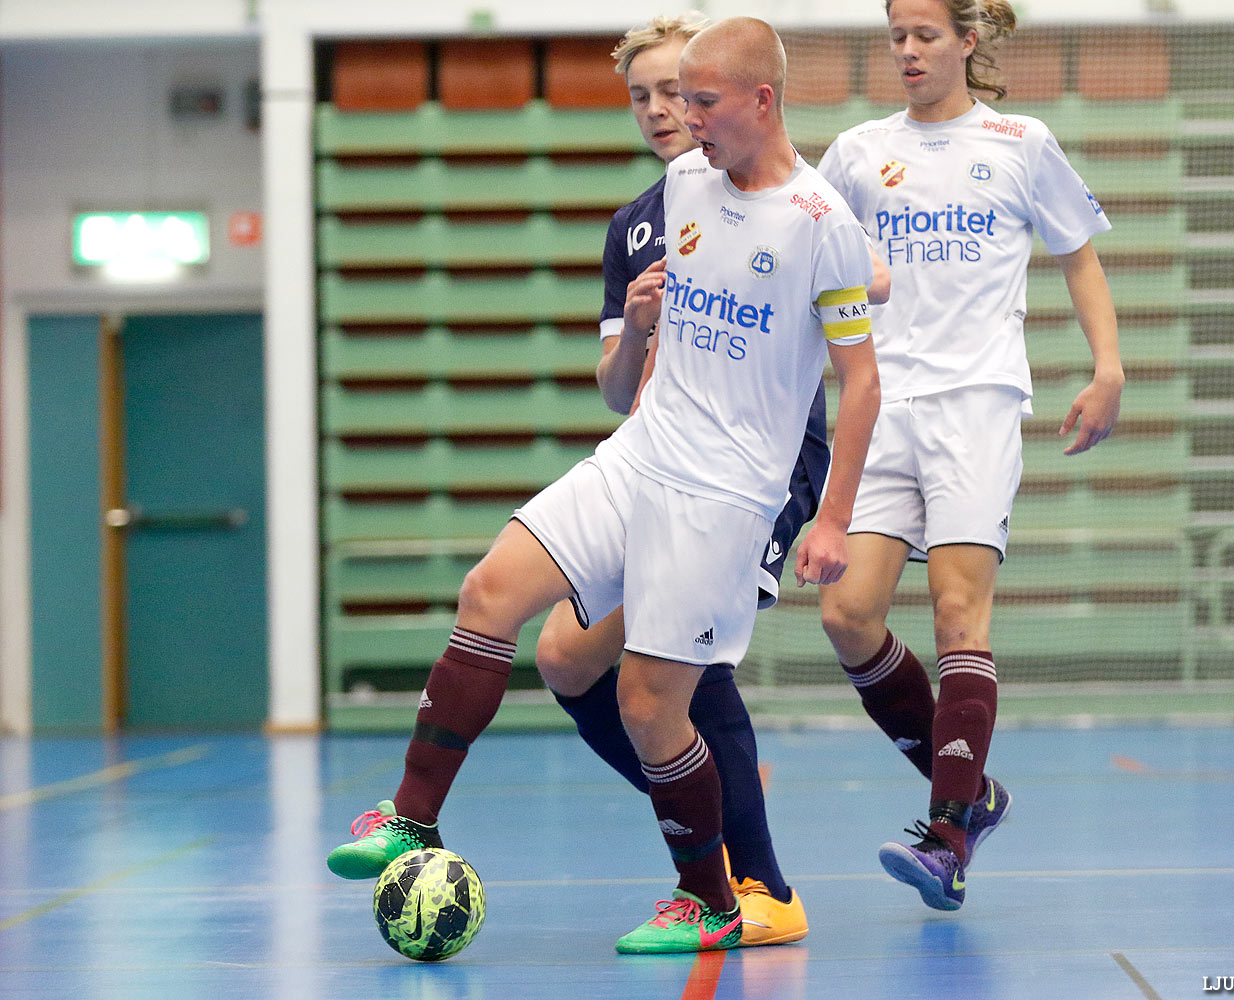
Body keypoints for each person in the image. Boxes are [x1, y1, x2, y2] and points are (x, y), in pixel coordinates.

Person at [327, 15, 883, 955]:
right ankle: (411, 819)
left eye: (701, 101)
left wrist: (832, 521)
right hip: (641, 454)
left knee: (649, 704)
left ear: (763, 98)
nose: (682, 119)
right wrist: (636, 327)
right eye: (668, 99)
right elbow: (640, 372)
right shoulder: (682, 185)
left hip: (726, 494)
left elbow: (862, 382)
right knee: (489, 593)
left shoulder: (824, 227)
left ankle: (714, 897)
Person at [533, 11, 884, 948]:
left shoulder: (776, 193)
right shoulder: (642, 221)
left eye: (677, 91)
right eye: (643, 95)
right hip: (659, 465)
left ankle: (753, 879)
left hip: (761, 473)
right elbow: (618, 390)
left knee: (678, 666)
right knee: (567, 660)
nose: (662, 110)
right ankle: (703, 833)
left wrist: (850, 281)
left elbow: (843, 273)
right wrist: (641, 328)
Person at [815, 0, 1123, 912]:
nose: (908, 51)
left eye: (925, 35)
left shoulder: (1022, 142)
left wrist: (1108, 368)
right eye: (897, 36)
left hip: (977, 402)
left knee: (957, 609)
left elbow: (1079, 258)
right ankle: (972, 791)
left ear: (967, 39)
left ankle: (948, 833)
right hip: (879, 407)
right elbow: (807, 253)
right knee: (847, 615)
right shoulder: (858, 152)